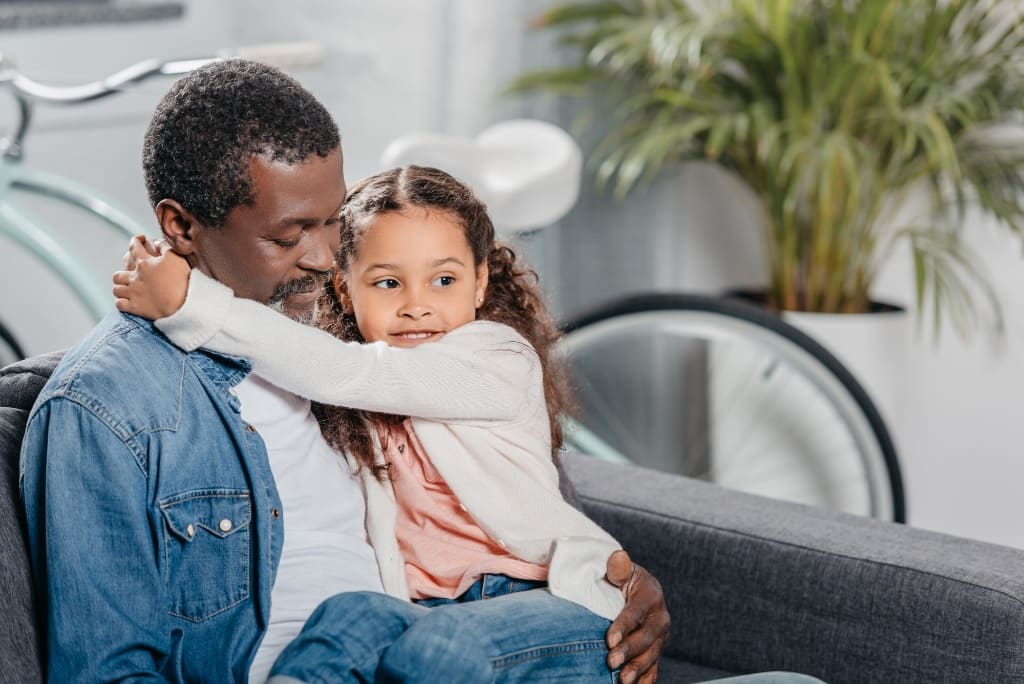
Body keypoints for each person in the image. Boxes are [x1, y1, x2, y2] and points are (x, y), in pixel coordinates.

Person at [19, 59, 670, 683]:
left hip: (466, 639)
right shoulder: (107, 407)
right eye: (289, 235)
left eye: (333, 224)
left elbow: (497, 486)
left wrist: (606, 574)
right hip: (374, 642)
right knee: (365, 625)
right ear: (180, 226)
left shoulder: (353, 342)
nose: (325, 259)